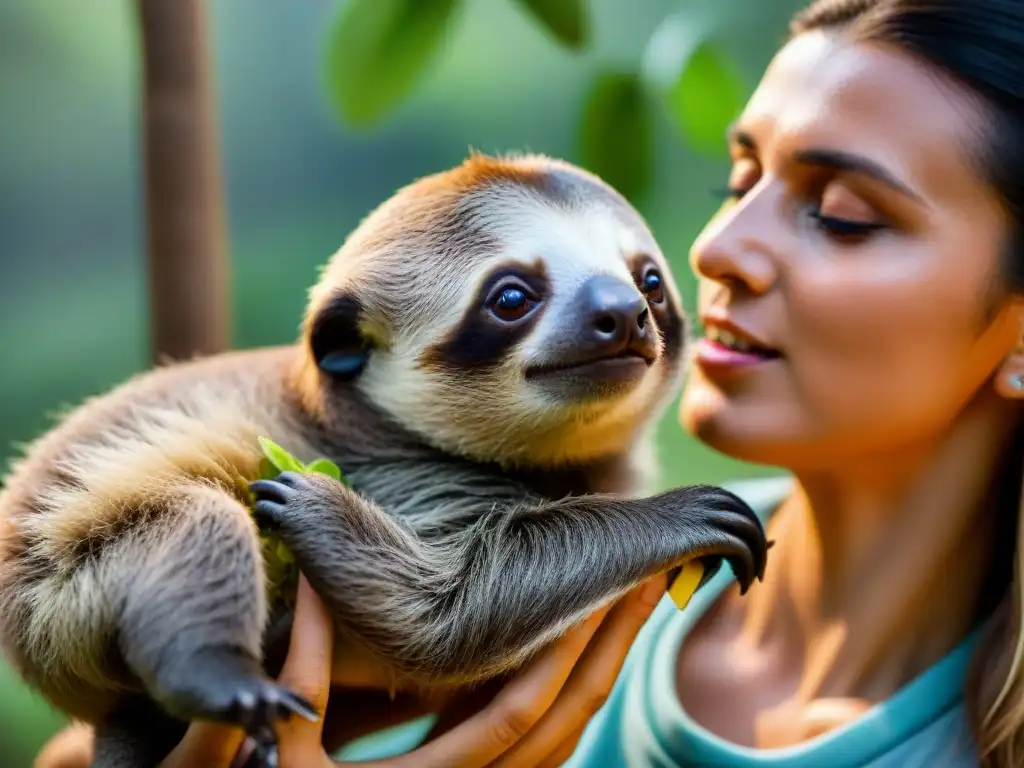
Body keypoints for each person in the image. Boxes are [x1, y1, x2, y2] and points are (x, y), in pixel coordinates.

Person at [32, 0, 1024, 765]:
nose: (717, 250)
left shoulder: (627, 546)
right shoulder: (628, 567)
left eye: (845, 213)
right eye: (738, 180)